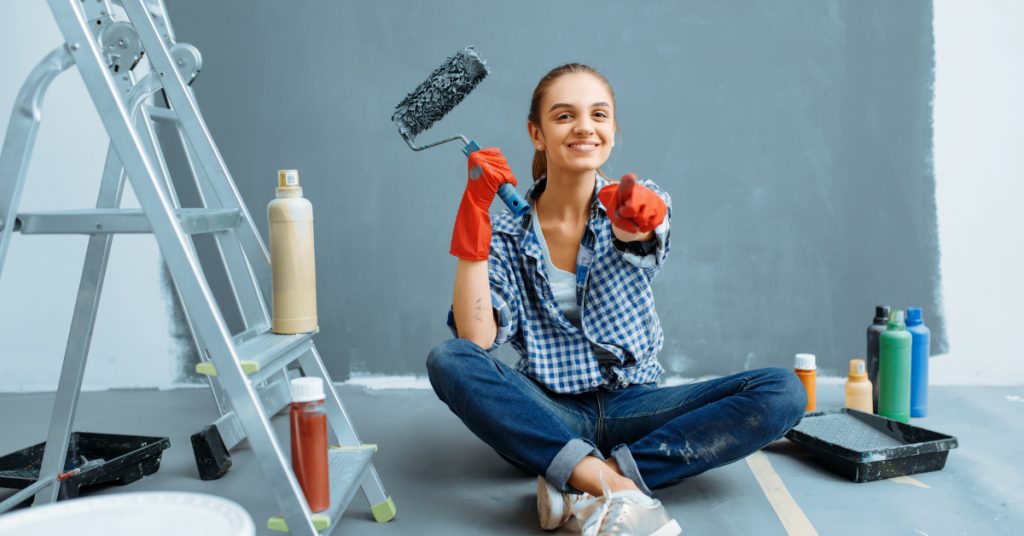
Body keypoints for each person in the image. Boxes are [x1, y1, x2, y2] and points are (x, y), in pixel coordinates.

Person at [426, 63, 807, 536]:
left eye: (599, 115)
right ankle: (618, 487)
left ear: (611, 130)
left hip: (637, 407)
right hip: (548, 411)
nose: (585, 126)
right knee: (449, 357)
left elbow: (639, 232)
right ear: (537, 133)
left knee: (784, 390)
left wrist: (641, 218)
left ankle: (576, 481)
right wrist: (474, 219)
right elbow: (476, 337)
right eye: (564, 116)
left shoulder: (626, 203)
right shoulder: (505, 232)